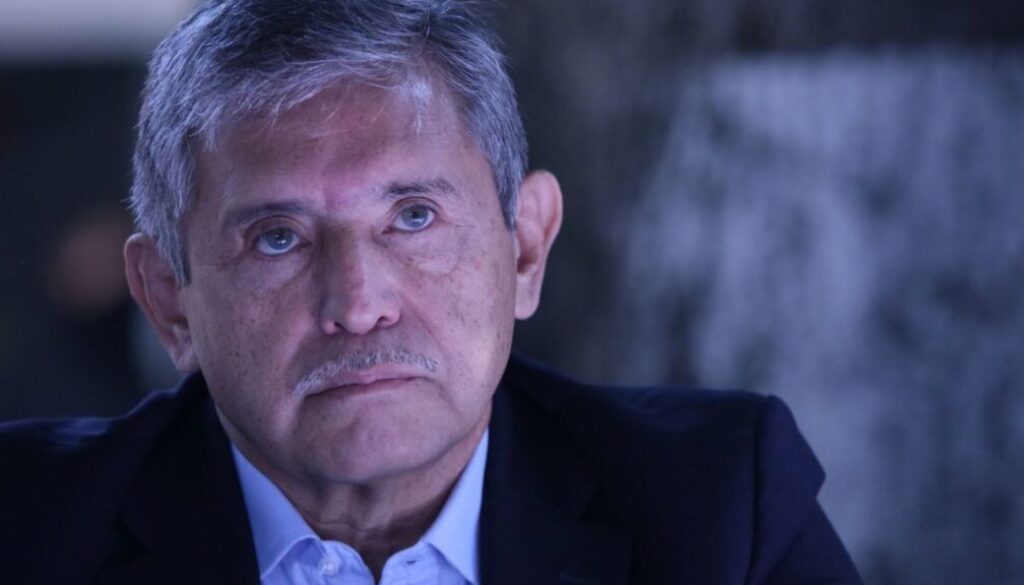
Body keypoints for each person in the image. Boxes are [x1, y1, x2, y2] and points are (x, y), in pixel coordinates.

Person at [0, 1, 862, 583]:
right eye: (277, 237)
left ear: (525, 249)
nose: (357, 304)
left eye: (413, 217)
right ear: (168, 300)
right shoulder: (24, 528)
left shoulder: (719, 511)